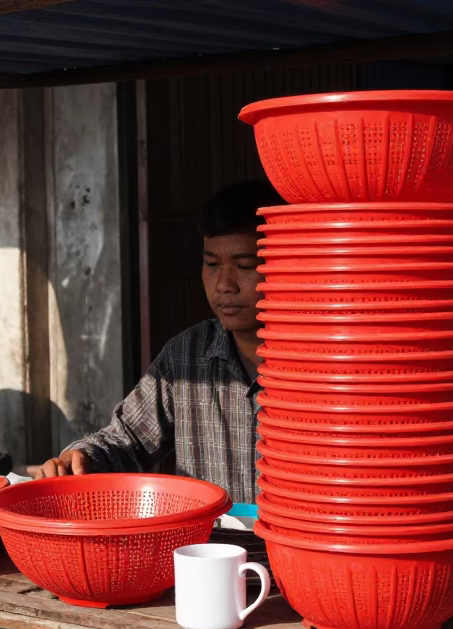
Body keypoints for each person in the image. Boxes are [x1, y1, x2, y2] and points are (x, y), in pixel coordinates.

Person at [32, 181, 282, 503]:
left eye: (245, 266)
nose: (224, 285)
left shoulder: (325, 360)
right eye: (211, 264)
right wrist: (80, 458)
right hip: (203, 550)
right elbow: (127, 440)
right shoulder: (186, 357)